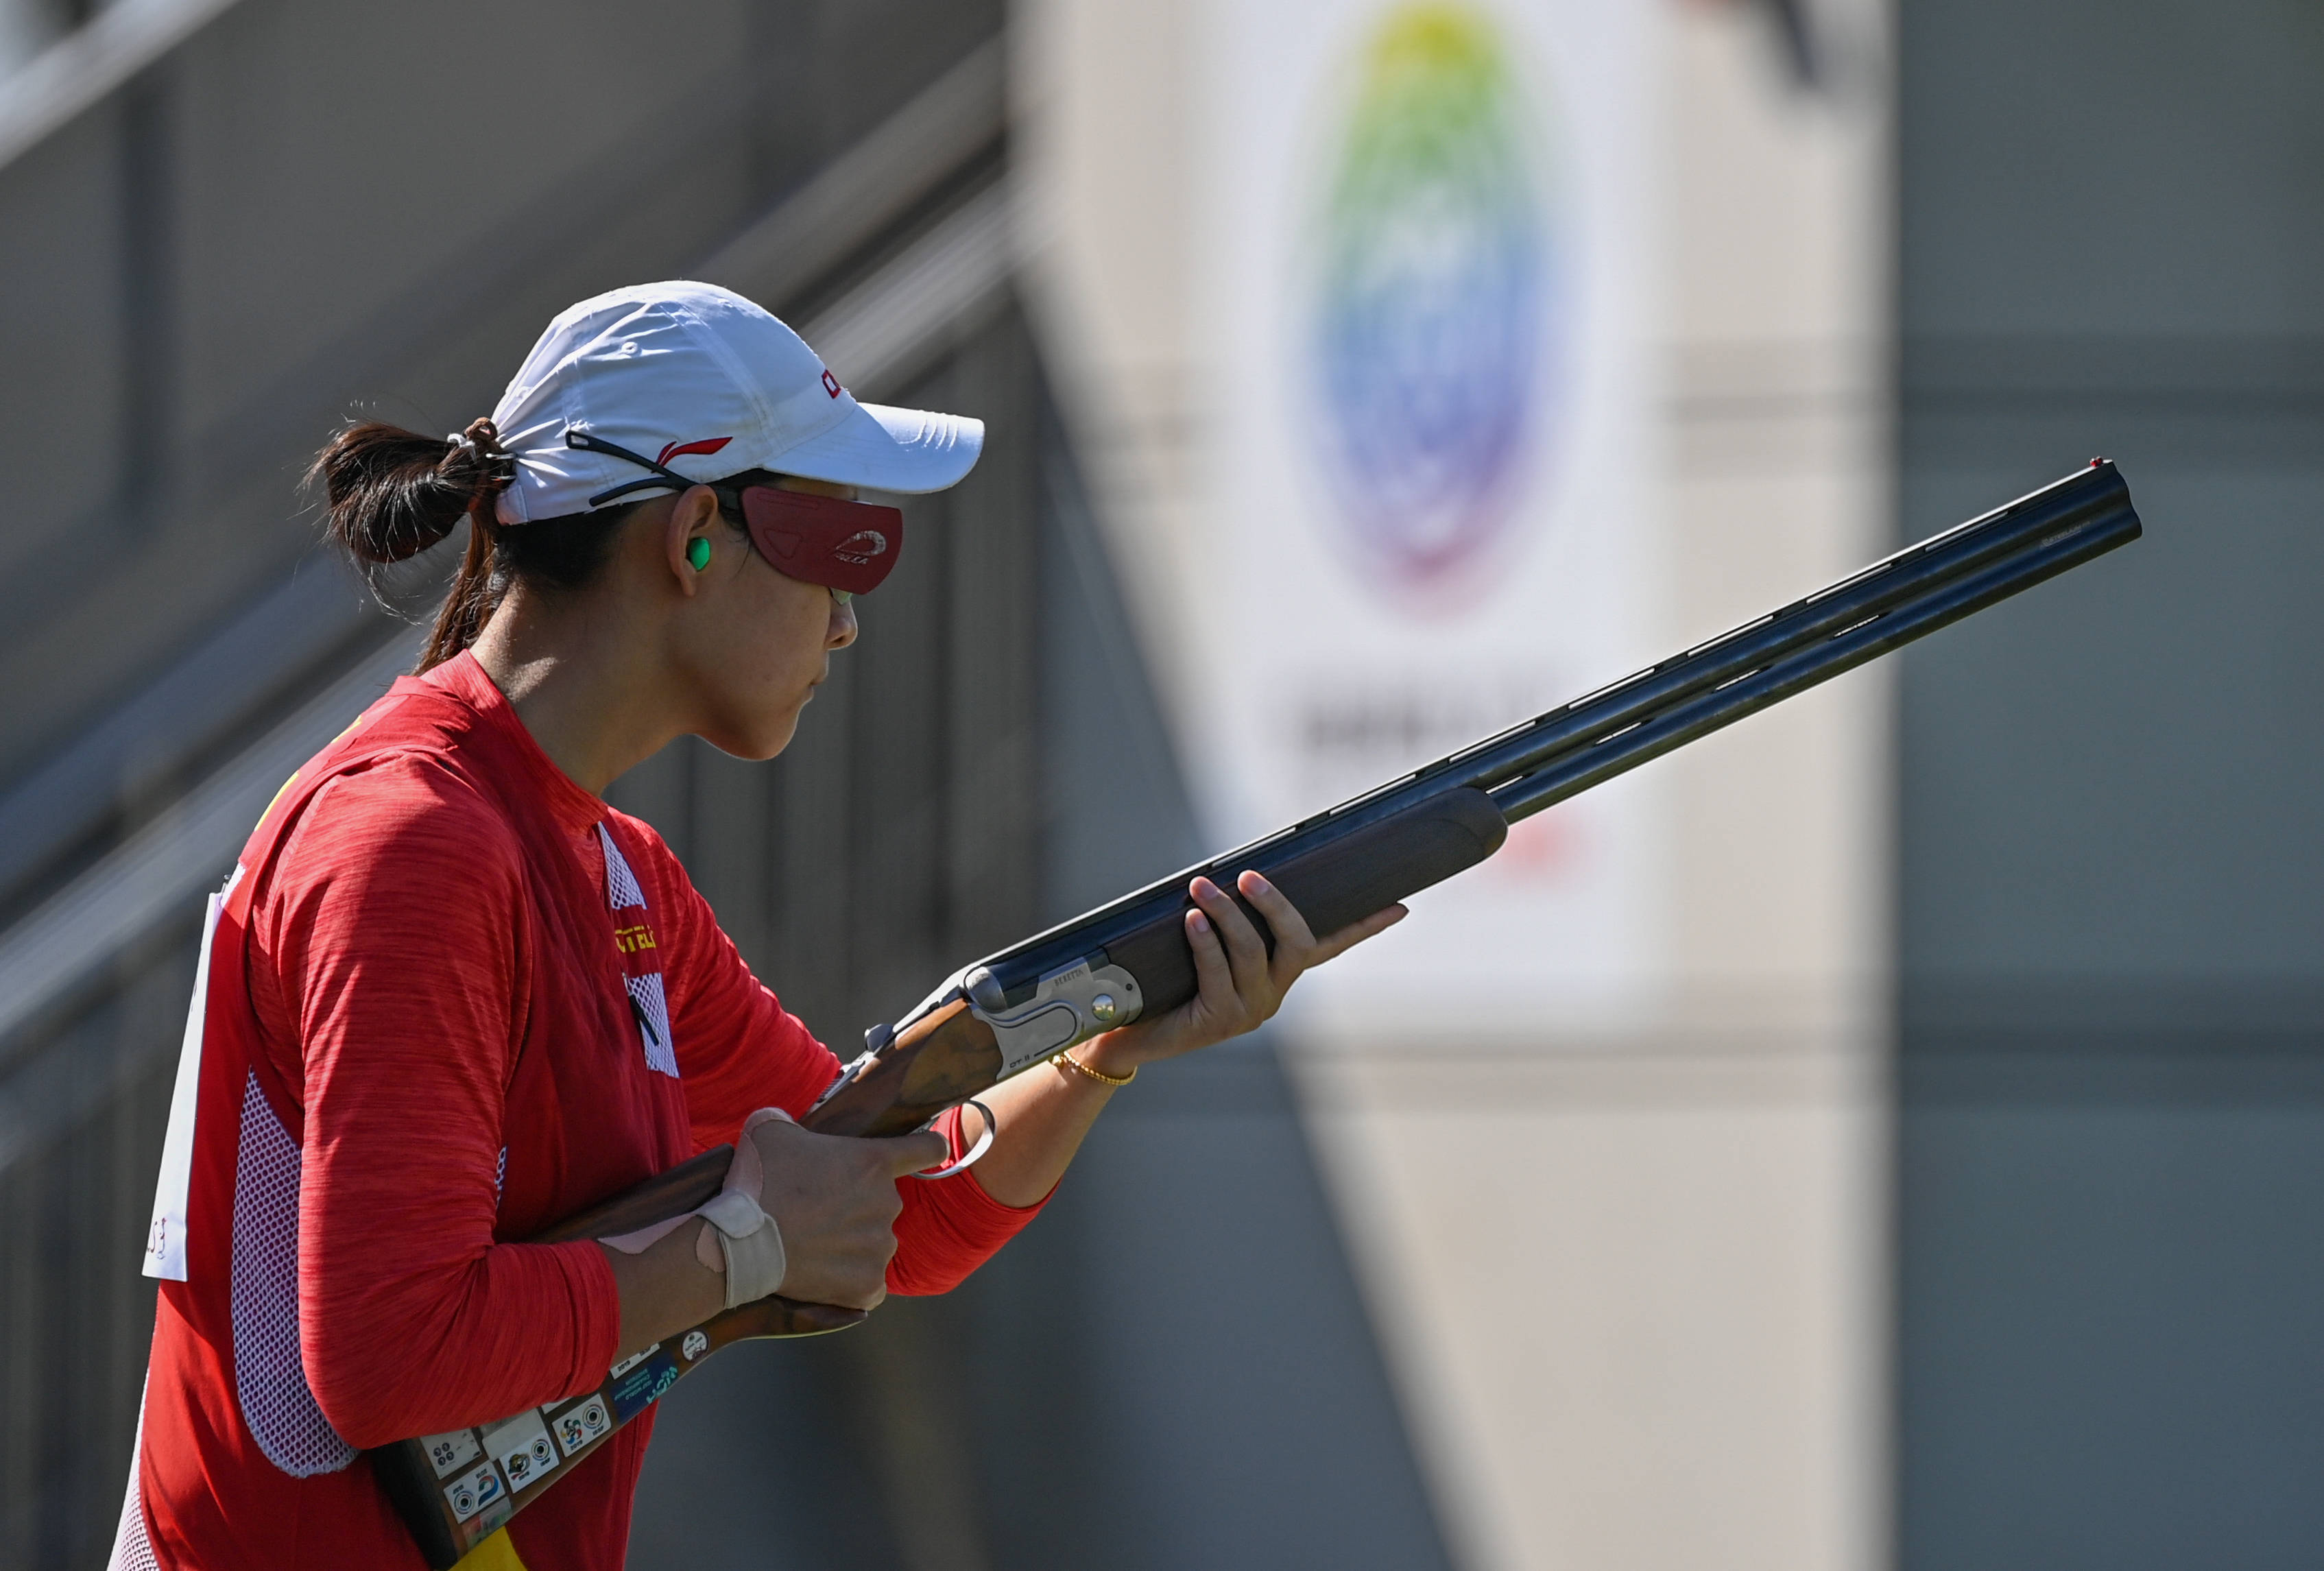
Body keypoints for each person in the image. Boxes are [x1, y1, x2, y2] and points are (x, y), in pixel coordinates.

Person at [110, 281, 1404, 1571]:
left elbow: (915, 1213)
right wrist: (734, 1248)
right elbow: (389, 1354)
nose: (849, 617)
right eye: (841, 549)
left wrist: (1101, 1048)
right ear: (693, 539)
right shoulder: (414, 845)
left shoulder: (614, 874)